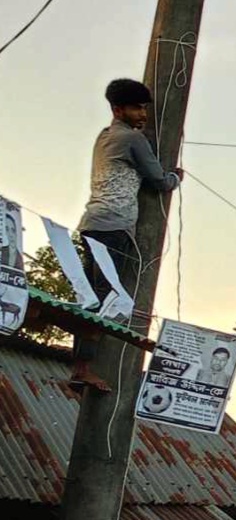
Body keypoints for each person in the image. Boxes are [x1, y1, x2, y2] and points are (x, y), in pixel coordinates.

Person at [72, 80, 181, 388]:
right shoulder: (133, 139)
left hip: (93, 222)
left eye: (144, 108)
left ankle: (81, 365)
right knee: (105, 300)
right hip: (114, 226)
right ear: (118, 110)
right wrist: (175, 178)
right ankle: (83, 369)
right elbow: (159, 180)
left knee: (91, 297)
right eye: (136, 108)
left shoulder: (105, 137)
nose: (142, 115)